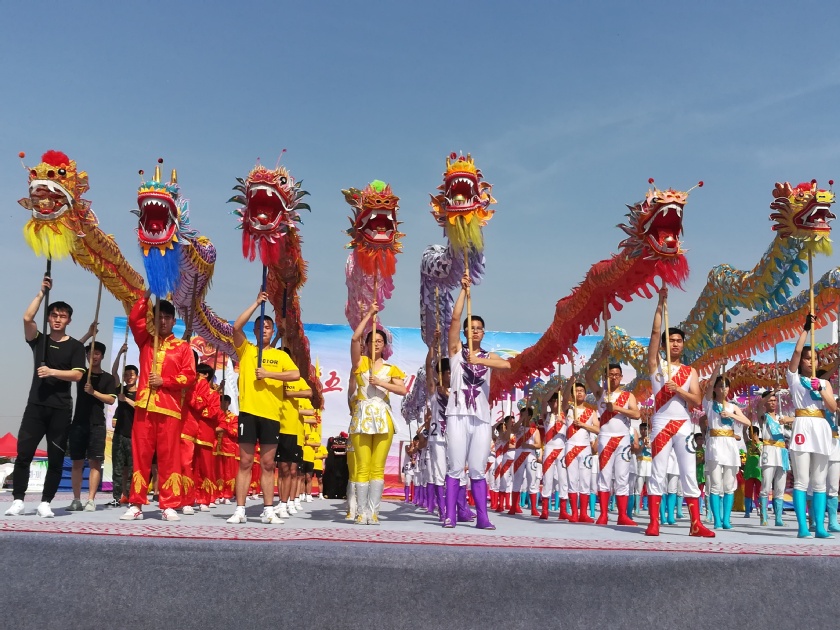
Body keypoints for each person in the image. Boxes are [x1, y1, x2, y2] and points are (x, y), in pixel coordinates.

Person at [6, 277, 86, 518]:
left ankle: (46, 502)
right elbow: (27, 318)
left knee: (56, 458)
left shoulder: (75, 346)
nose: (58, 319)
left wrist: (52, 372)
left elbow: (77, 375)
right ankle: (18, 500)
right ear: (49, 318)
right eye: (54, 315)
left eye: (63, 316)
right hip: (36, 407)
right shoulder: (39, 340)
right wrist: (41, 293)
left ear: (69, 320)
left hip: (61, 409)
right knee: (24, 454)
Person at [120, 292, 196, 521]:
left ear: (174, 321)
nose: (163, 321)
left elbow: (189, 376)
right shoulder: (146, 340)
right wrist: (147, 294)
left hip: (169, 410)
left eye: (167, 317)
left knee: (168, 457)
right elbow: (134, 319)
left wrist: (165, 381)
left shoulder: (182, 348)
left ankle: (169, 504)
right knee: (141, 456)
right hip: (144, 408)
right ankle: (136, 504)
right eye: (159, 317)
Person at [443, 272, 511, 529]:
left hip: (482, 418)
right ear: (465, 332)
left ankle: (482, 517)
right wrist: (464, 291)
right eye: (470, 328)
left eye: (478, 328)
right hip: (457, 415)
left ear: (483, 333)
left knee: (478, 470)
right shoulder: (456, 351)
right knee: (455, 468)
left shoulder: (489, 356)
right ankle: (450, 515)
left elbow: (507, 365)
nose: (474, 331)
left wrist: (479, 360)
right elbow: (454, 318)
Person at [645, 287, 714, 537]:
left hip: (683, 424)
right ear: (665, 345)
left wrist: (679, 390)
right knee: (658, 471)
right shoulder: (656, 365)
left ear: (683, 345)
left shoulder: (690, 371)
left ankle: (695, 524)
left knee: (689, 473)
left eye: (678, 341)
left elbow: (696, 400)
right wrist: (660, 305)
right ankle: (653, 523)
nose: (675, 344)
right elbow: (655, 333)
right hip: (661, 423)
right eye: (671, 340)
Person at [226, 290, 299, 525]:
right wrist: (256, 303)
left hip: (271, 415)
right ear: (255, 331)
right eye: (260, 327)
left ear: (272, 331)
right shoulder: (246, 349)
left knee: (268, 465)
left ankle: (268, 509)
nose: (264, 330)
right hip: (249, 413)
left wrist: (269, 374)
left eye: (267, 327)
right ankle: (240, 510)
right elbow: (236, 327)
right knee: (245, 462)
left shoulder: (280, 356)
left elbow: (295, 374)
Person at [349, 302, 407, 525]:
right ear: (367, 344)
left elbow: (402, 390)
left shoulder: (391, 369)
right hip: (362, 417)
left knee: (377, 467)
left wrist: (382, 383)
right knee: (363, 466)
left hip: (383, 417)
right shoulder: (360, 362)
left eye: (380, 341)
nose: (376, 344)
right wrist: (370, 314)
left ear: (385, 346)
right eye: (372, 341)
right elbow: (354, 338)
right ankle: (361, 512)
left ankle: (373, 512)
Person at [786, 314, 837, 538]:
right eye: (807, 358)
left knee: (819, 481)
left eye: (814, 359)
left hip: (821, 427)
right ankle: (802, 527)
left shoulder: (824, 382)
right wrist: (805, 329)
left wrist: (821, 389)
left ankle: (821, 527)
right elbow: (796, 352)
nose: (810, 361)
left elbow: (833, 407)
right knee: (801, 480)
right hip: (802, 426)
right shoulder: (794, 379)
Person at [585, 361, 641, 526]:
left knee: (622, 477)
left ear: (621, 377)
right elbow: (588, 376)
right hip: (605, 438)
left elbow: (636, 414)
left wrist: (616, 408)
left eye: (617, 375)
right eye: (611, 375)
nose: (614, 378)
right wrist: (601, 358)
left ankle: (622, 515)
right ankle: (603, 515)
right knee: (605, 476)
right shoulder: (600, 393)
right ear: (605, 377)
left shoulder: (628, 396)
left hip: (622, 439)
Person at [67, 340, 117, 512]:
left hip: (97, 424)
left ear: (102, 356)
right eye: (90, 353)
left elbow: (111, 399)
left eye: (96, 353)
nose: (93, 356)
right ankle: (76, 499)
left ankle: (90, 500)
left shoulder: (108, 378)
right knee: (77, 462)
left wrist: (93, 392)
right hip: (78, 422)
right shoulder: (80, 374)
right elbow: (73, 348)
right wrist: (89, 333)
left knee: (95, 462)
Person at [701, 363, 751, 529]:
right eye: (721, 386)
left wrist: (730, 414)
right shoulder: (709, 404)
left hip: (729, 445)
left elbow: (747, 422)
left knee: (729, 484)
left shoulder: (732, 407)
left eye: (726, 386)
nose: (724, 389)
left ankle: (726, 520)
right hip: (715, 444)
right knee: (715, 484)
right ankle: (716, 519)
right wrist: (717, 368)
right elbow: (709, 385)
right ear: (715, 389)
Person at [562, 379, 599, 523]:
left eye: (581, 391)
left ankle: (583, 513)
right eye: (576, 391)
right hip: (570, 447)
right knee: (572, 480)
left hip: (585, 448)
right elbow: (564, 399)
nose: (579, 393)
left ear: (585, 394)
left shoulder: (591, 412)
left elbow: (598, 429)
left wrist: (583, 424)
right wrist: (569, 384)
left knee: (585, 480)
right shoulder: (568, 409)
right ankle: (574, 514)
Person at [109, 349, 137, 507]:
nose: (128, 377)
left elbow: (140, 407)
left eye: (131, 375)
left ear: (137, 376)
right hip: (119, 434)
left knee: (133, 469)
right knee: (118, 468)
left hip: (134, 436)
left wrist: (125, 399)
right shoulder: (121, 389)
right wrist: (119, 354)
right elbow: (114, 372)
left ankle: (132, 497)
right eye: (126, 375)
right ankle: (117, 497)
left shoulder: (141, 393)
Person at [214, 394, 238, 503]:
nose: (222, 404)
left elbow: (235, 432)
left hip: (228, 448)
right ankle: (218, 494)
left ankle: (227, 494)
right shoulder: (216, 414)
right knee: (217, 472)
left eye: (225, 402)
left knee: (229, 473)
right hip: (216, 447)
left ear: (228, 403)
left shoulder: (233, 417)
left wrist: (224, 427)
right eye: (221, 402)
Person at [744, 426, 762, 518]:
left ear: (755, 433)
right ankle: (747, 511)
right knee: (748, 493)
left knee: (759, 492)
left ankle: (760, 509)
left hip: (759, 472)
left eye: (750, 433)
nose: (749, 435)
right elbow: (744, 434)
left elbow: (763, 454)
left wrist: (757, 448)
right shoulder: (748, 443)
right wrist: (745, 426)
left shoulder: (762, 444)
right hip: (749, 472)